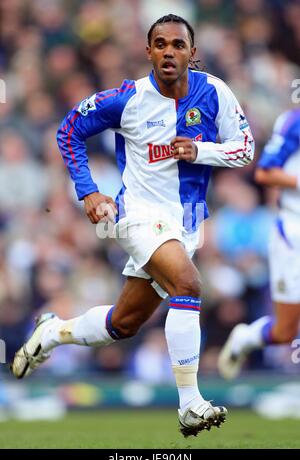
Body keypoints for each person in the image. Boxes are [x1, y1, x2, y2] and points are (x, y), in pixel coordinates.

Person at [12, 14, 254, 437]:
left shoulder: (215, 92)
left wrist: (201, 150)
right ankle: (190, 404)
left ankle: (52, 332)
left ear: (192, 53)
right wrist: (88, 191)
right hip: (139, 216)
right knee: (188, 285)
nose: (168, 52)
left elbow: (246, 149)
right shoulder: (128, 98)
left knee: (122, 325)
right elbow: (69, 129)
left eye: (177, 45)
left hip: (188, 223)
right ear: (148, 52)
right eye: (159, 44)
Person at [218, 108, 300, 380]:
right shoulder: (294, 121)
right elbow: (265, 172)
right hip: (293, 232)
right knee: (285, 331)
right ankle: (246, 337)